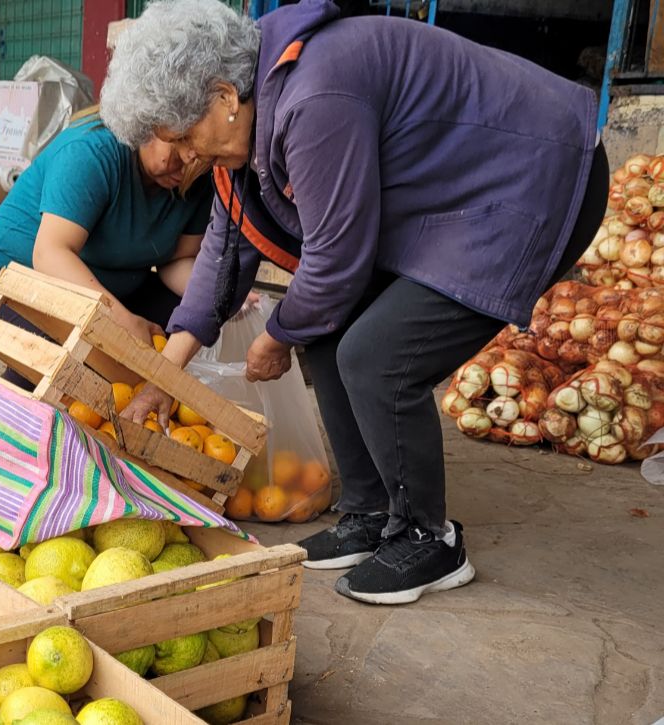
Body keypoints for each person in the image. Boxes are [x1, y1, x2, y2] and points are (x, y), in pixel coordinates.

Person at [104, 0, 608, 604]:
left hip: (534, 179)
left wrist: (275, 336)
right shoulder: (254, 107)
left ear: (221, 97)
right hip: (455, 196)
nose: (185, 157)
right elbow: (224, 248)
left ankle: (430, 539)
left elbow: (337, 258)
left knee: (378, 355)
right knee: (325, 332)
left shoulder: (313, 99)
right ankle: (371, 512)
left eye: (185, 138)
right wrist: (166, 376)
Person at [0, 110, 214, 387]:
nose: (187, 164)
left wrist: (216, 295)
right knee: (67, 362)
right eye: (180, 144)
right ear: (147, 124)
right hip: (1, 280)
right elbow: (51, 254)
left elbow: (176, 259)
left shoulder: (197, 178)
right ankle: (10, 411)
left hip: (102, 288)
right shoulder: (91, 152)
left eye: (199, 155)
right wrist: (122, 321)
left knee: (183, 315)